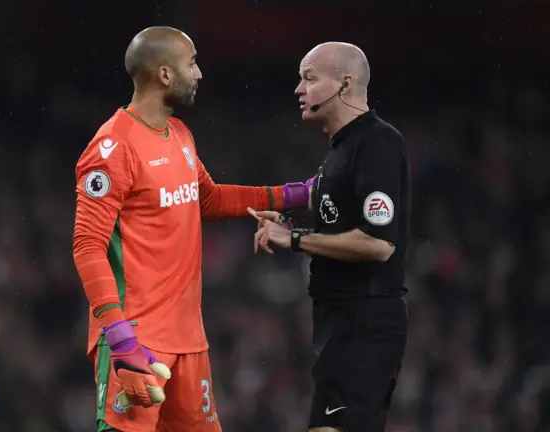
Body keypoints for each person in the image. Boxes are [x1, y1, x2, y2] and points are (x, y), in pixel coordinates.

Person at [72, 26, 312, 432]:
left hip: (188, 343)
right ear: (164, 74)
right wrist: (119, 336)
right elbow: (87, 245)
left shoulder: (179, 134)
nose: (199, 74)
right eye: (192, 63)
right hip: (136, 341)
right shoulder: (113, 147)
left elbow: (209, 200)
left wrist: (292, 196)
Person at [249, 42, 411, 432]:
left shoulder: (378, 143)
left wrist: (295, 239)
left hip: (366, 323)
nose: (298, 90)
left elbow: (378, 243)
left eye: (309, 78)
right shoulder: (341, 148)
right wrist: (283, 208)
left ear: (345, 83)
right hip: (339, 323)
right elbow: (324, 195)